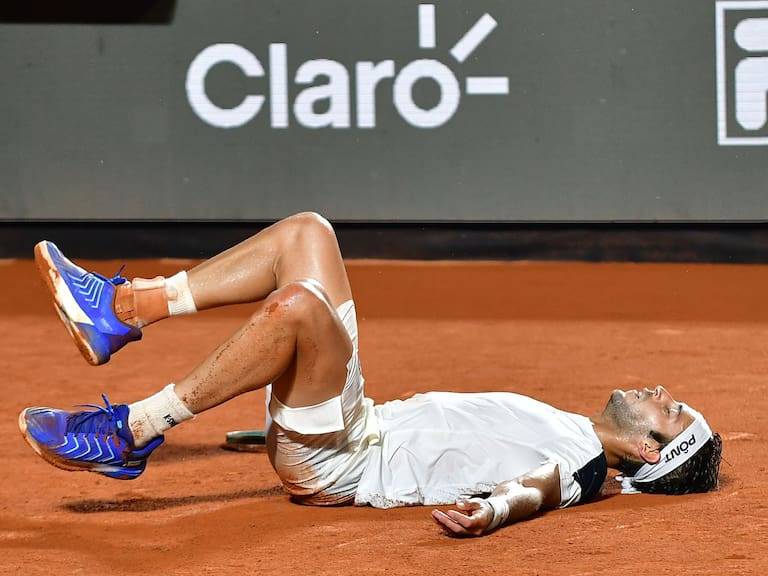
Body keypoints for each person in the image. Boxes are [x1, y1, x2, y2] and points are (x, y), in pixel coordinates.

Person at [19, 212, 722, 537]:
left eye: (671, 411)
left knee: (299, 308)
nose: (660, 394)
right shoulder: (571, 429)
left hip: (343, 462)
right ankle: (120, 307)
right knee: (308, 234)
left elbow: (538, 490)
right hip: (355, 423)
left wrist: (495, 512)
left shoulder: (585, 463)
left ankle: (133, 430)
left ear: (653, 453)